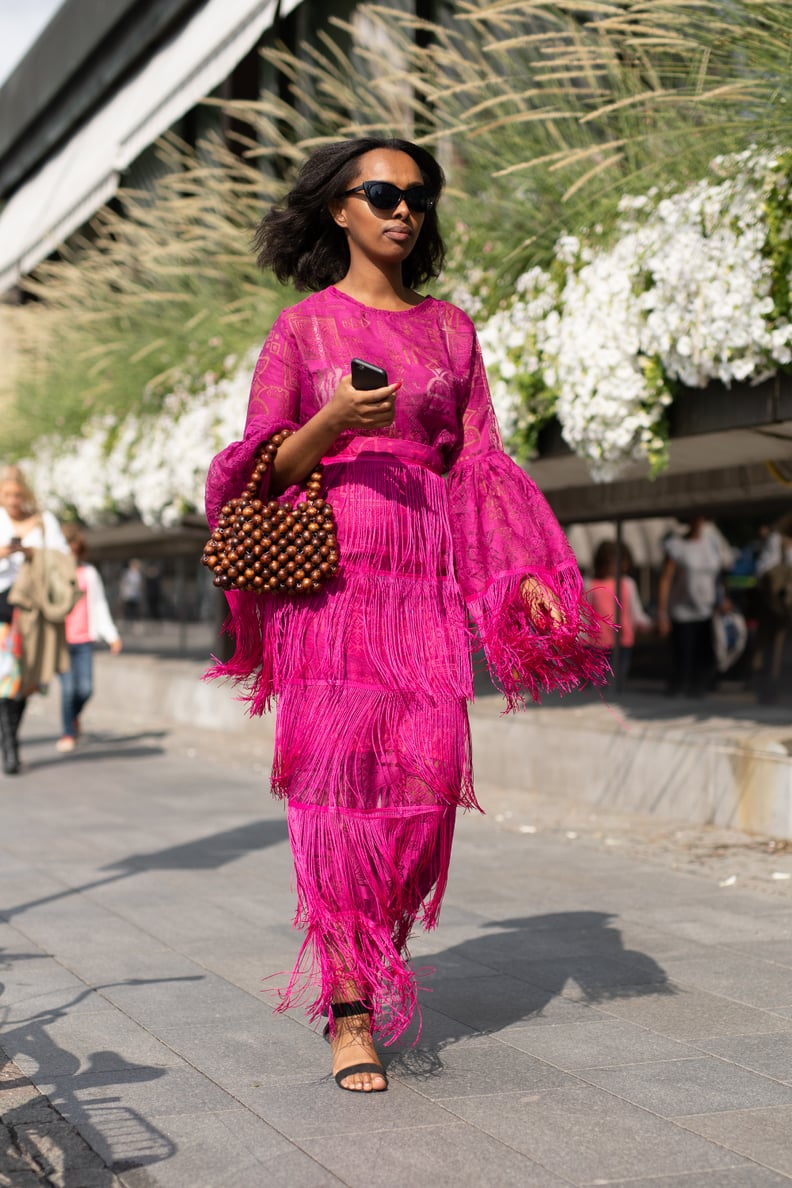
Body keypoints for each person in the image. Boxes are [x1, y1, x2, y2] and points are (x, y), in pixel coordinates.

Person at [205, 137, 609, 1093]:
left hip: (422, 589)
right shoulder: (301, 330)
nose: (402, 210)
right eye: (381, 193)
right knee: (339, 800)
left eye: (417, 196)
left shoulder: (451, 331)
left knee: (424, 801)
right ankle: (351, 1006)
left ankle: (374, 952)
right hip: (332, 592)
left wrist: (522, 573)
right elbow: (253, 475)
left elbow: (479, 468)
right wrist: (331, 424)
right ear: (338, 210)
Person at [0, 465, 72, 774]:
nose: (14, 500)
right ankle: (10, 750)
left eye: (18, 494)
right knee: (6, 681)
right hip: (3, 613)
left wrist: (33, 554)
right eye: (7, 494)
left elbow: (63, 559)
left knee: (26, 682)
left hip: (33, 611)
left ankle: (11, 738)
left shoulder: (45, 523)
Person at [57, 525, 123, 753]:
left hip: (84, 641)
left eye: (72, 546)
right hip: (60, 642)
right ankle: (67, 732)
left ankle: (73, 718)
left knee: (85, 689)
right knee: (67, 690)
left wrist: (111, 636)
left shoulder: (89, 573)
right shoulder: (53, 574)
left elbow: (99, 604)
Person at [657, 517, 729, 697]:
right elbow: (665, 580)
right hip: (682, 611)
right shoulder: (676, 546)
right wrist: (662, 613)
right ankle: (677, 690)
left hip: (706, 610)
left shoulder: (712, 544)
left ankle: (698, 690)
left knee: (706, 656)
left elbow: (718, 577)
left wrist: (721, 598)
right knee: (683, 658)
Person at [586, 540, 652, 681]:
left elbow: (635, 613)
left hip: (622, 640)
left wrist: (649, 625)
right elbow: (583, 615)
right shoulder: (589, 584)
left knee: (616, 680)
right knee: (598, 683)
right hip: (596, 643)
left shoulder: (627, 583)